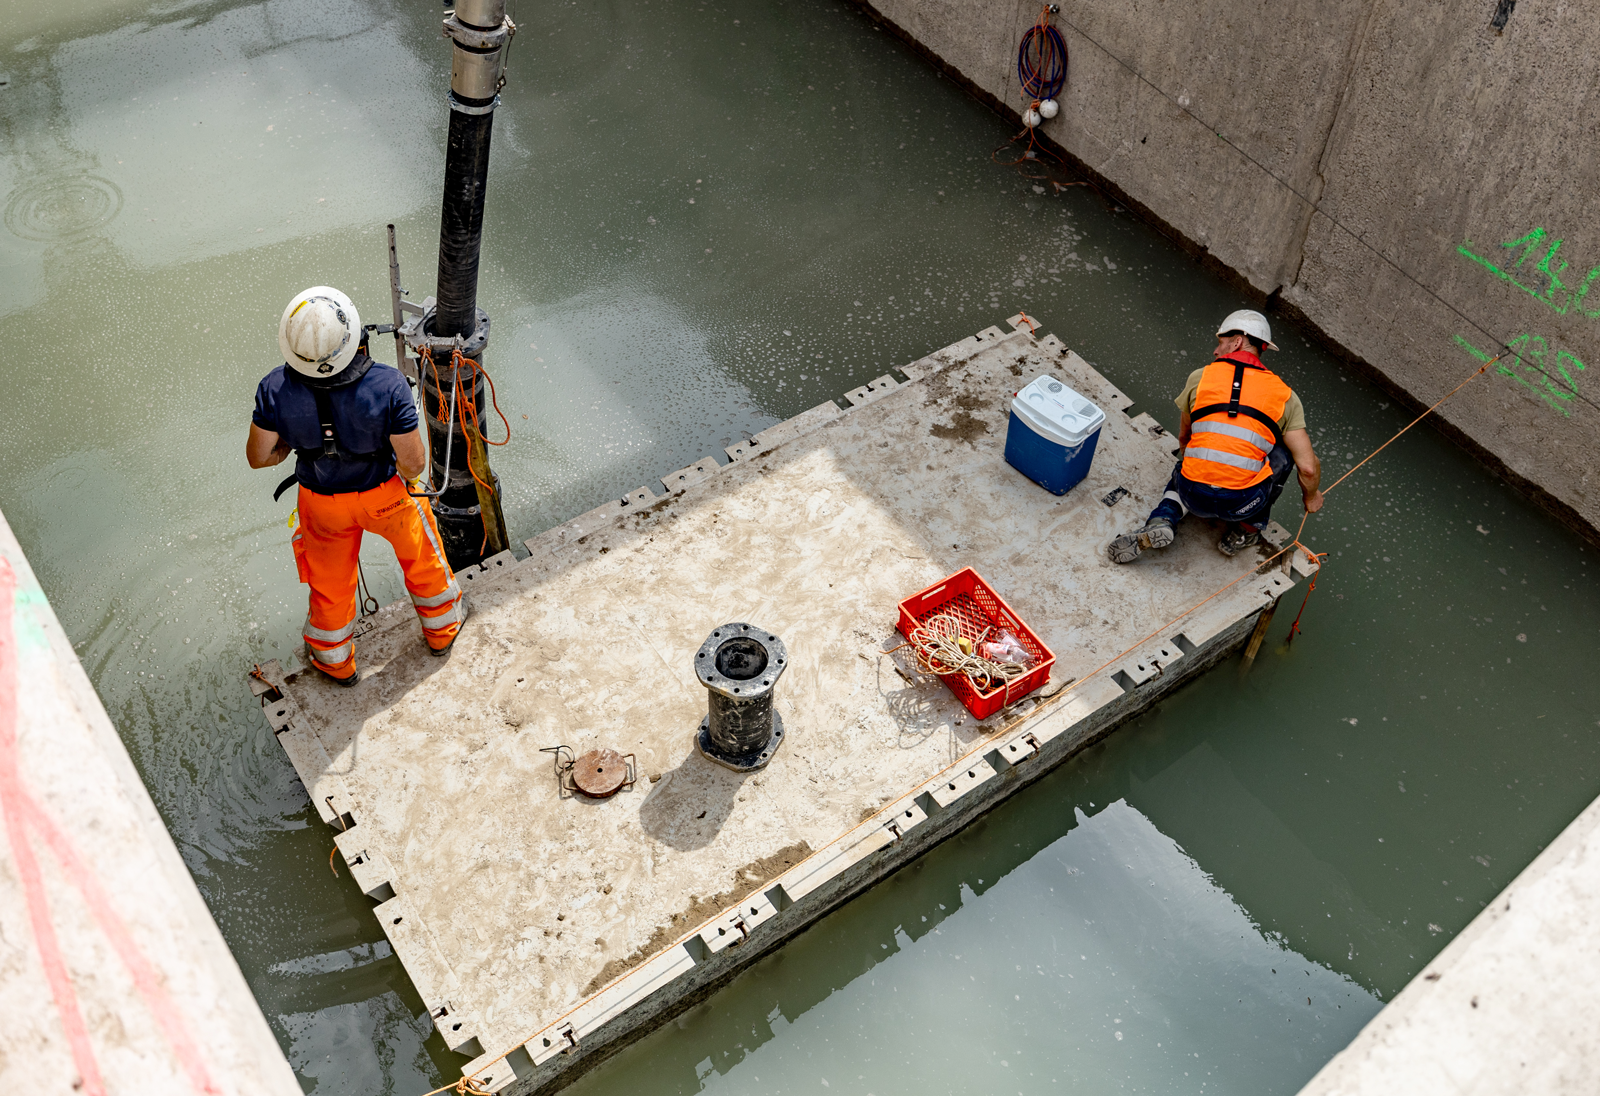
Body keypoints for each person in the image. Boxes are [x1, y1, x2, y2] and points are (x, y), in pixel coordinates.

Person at [245, 287, 467, 685]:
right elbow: (413, 462)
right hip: (384, 495)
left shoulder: (274, 389)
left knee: (329, 584)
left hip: (321, 501)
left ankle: (334, 662)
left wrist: (290, 450)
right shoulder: (389, 385)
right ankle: (442, 631)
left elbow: (259, 456)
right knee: (421, 556)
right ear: (353, 340)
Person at [1109, 309, 1323, 563]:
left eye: (1220, 342)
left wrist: (1205, 471)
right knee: (1284, 452)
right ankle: (1246, 530)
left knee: (1194, 451)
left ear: (1238, 341)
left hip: (1193, 494)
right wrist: (1311, 497)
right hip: (1242, 504)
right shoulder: (1285, 395)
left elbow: (1184, 438)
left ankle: (1164, 517)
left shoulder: (1201, 377)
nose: (1215, 350)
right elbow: (1308, 469)